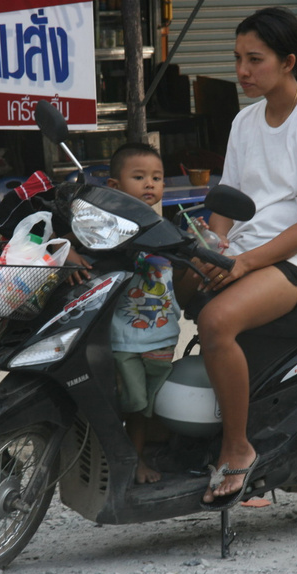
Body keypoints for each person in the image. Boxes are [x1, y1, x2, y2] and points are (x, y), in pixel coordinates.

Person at [196, 7, 297, 509]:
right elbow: (226, 199)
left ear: (288, 61)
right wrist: (211, 246)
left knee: (216, 321)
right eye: (238, 58)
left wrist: (242, 264)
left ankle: (239, 447)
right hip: (249, 248)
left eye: (255, 59)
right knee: (162, 288)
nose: (242, 70)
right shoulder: (245, 120)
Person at [106, 143, 179, 484]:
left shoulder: (169, 229)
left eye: (156, 177)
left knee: (149, 407)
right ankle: (126, 462)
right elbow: (77, 244)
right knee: (131, 404)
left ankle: (140, 459)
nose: (149, 184)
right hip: (125, 337)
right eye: (139, 177)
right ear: (114, 187)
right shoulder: (108, 229)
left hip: (163, 336)